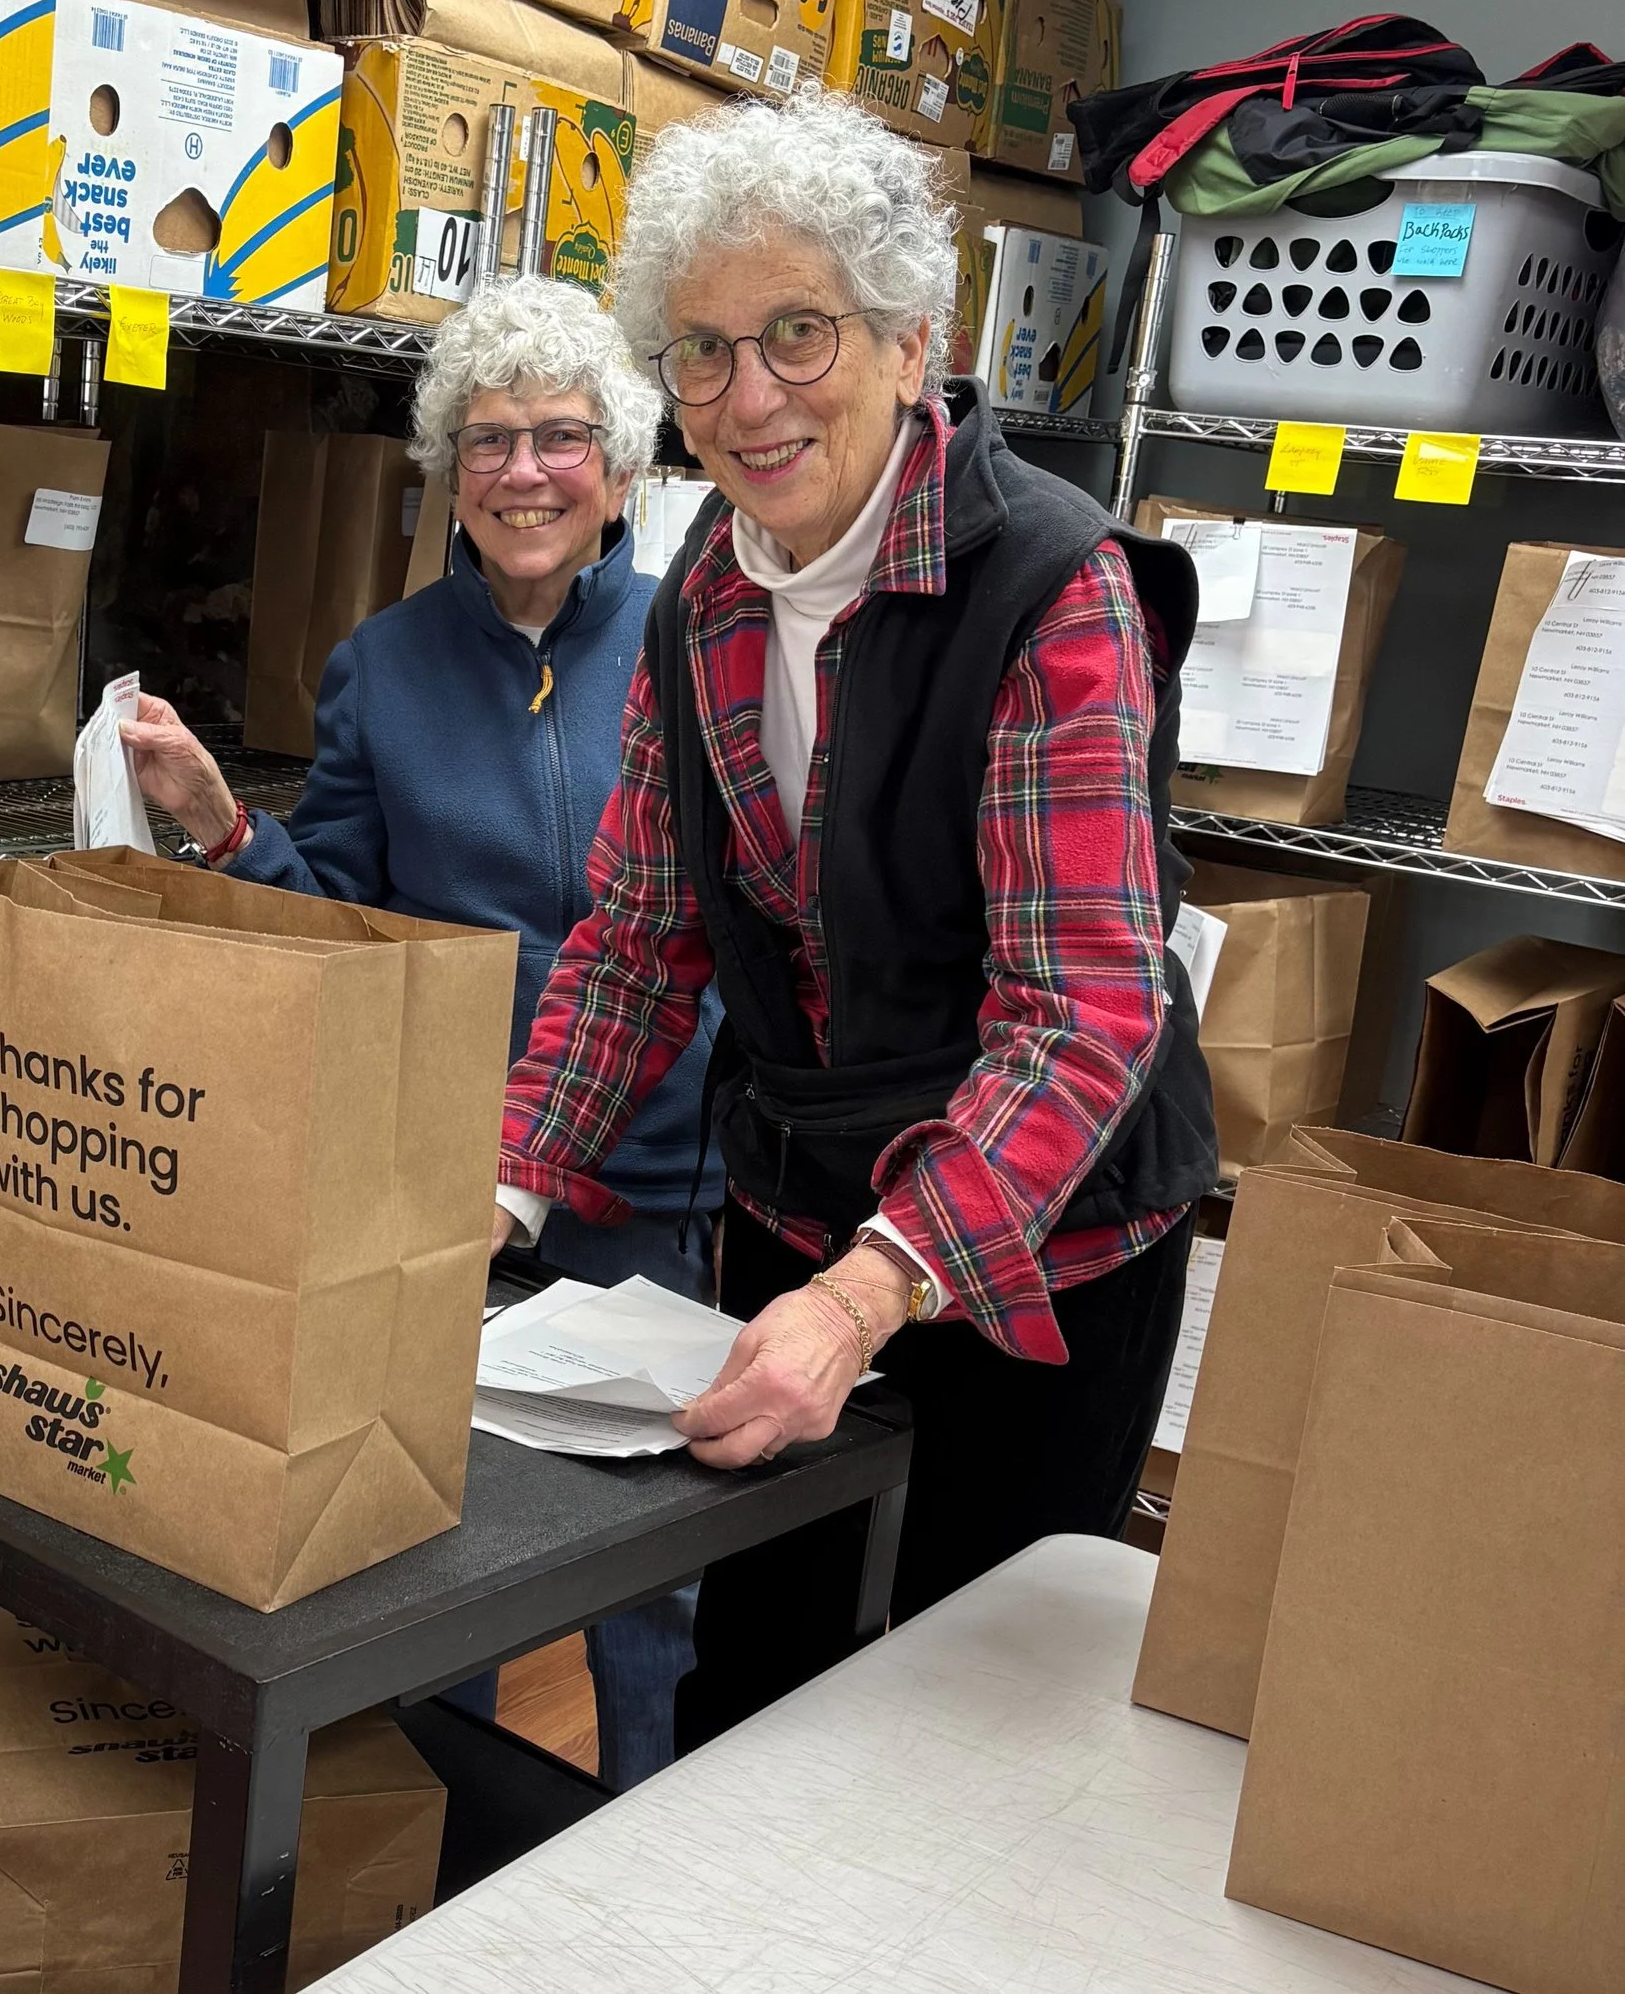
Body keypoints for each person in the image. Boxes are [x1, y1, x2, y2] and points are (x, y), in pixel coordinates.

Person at [494, 91, 1219, 1752]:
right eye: (700, 352)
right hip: (805, 1206)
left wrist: (869, 1292)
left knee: (973, 1719)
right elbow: (639, 937)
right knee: (761, 1683)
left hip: (1053, 1246)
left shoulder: (1053, 592)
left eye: (797, 335)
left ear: (910, 342)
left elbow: (1085, 1010)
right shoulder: (706, 596)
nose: (747, 399)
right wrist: (505, 1186)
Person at [124, 275, 719, 1789]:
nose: (524, 472)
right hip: (438, 1180)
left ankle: (647, 1858)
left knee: (651, 1577)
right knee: (423, 1536)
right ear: (452, 471)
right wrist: (222, 825)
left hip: (656, 1183)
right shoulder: (382, 668)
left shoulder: (697, 647)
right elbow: (338, 920)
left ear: (624, 470)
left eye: (563, 439)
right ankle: (429, 1863)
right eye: (490, 439)